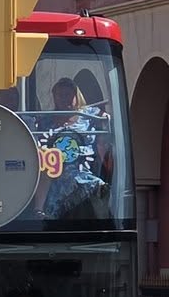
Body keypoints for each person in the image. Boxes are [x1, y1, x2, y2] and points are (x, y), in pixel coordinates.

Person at [34, 77, 113, 219]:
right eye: (60, 95)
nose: (65, 99)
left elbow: (106, 119)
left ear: (76, 97)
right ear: (54, 97)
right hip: (54, 174)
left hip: (82, 170)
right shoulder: (45, 120)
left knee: (97, 187)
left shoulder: (88, 114)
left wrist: (105, 121)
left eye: (69, 95)